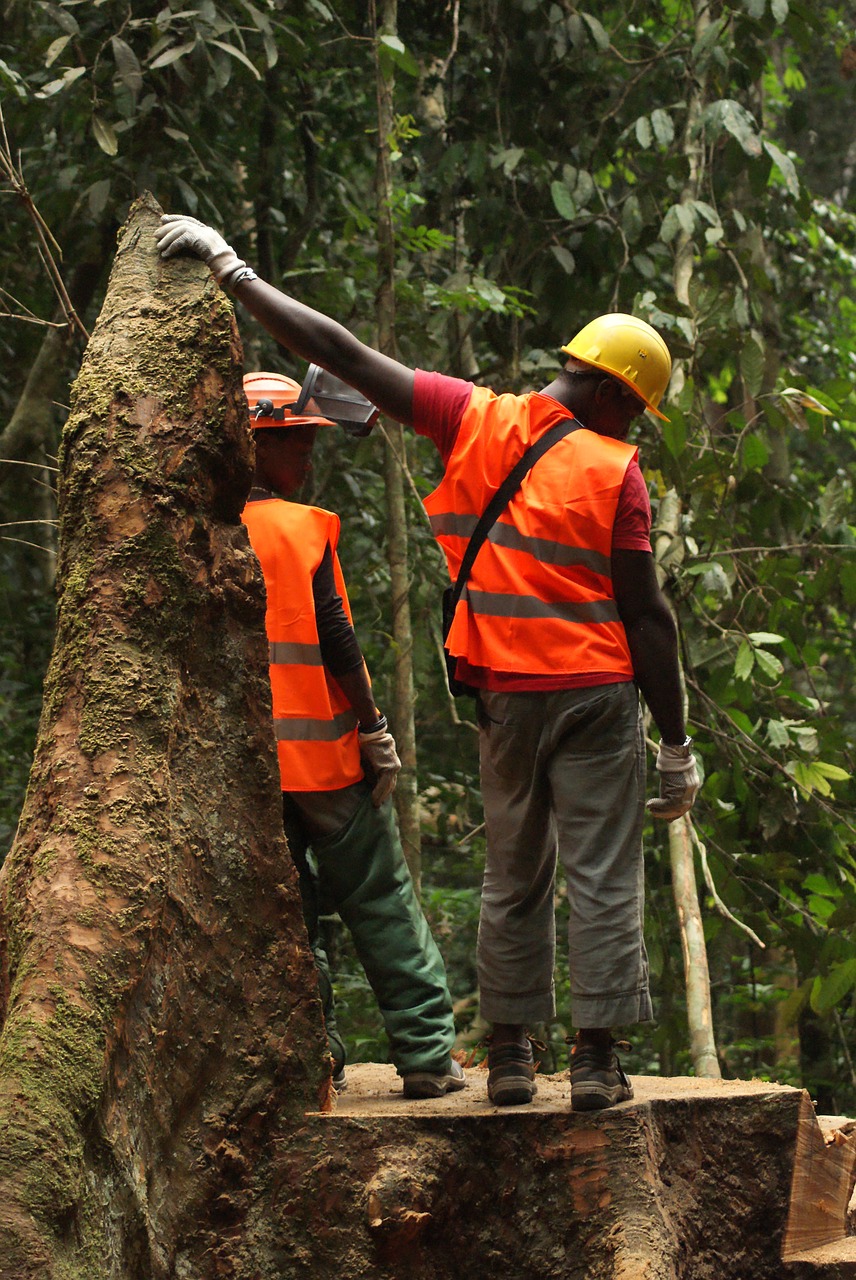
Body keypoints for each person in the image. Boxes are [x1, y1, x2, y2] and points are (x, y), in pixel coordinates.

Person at [157, 215, 700, 1113]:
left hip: (503, 699)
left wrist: (232, 270)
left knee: (513, 871)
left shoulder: (471, 418)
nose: (634, 422)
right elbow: (646, 615)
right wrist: (675, 741)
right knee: (602, 875)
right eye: (637, 407)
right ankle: (597, 1063)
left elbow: (339, 350)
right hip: (599, 696)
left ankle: (516, 1057)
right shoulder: (617, 470)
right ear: (612, 395)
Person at [236, 369, 465, 1100]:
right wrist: (373, 727)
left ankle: (316, 1055)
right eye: (293, 441)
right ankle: (428, 1056)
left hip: (245, 772)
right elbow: (335, 637)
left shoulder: (196, 533)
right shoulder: (302, 529)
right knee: (378, 897)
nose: (307, 456)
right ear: (253, 447)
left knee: (284, 909)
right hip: (325, 759)